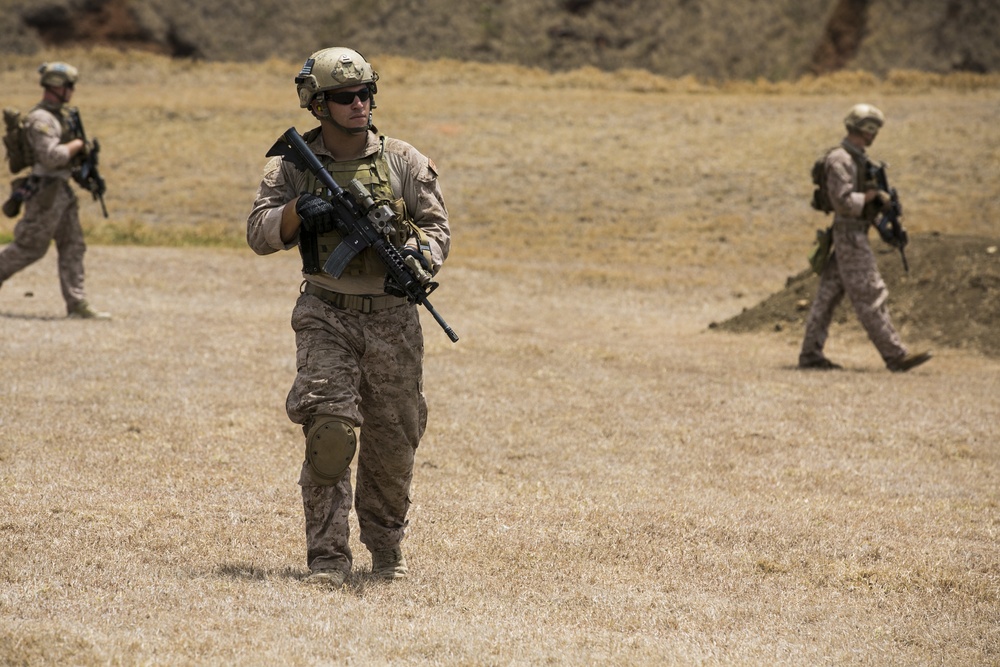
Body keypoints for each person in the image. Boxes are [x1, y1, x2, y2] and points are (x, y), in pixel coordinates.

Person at [247, 47, 450, 589]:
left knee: (393, 443)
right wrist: (295, 213)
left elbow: (437, 230)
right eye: (344, 96)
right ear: (318, 104)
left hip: (393, 319)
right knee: (331, 433)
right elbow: (257, 233)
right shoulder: (291, 165)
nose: (358, 104)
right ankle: (328, 559)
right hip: (326, 314)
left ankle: (386, 551)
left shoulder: (403, 160)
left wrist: (419, 258)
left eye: (365, 93)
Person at [798, 103, 929, 372]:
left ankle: (810, 355)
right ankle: (895, 355)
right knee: (871, 294)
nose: (875, 135)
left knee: (827, 297)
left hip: (852, 234)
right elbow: (843, 201)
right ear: (864, 129)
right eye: (873, 129)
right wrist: (871, 197)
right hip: (849, 236)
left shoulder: (857, 159)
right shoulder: (841, 160)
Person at [0, 62, 109, 319]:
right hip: (45, 194)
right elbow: (51, 156)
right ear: (58, 86)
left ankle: (77, 303)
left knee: (73, 245)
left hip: (62, 191)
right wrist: (77, 145)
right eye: (70, 86)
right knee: (29, 248)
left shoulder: (62, 116)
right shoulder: (41, 119)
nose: (72, 91)